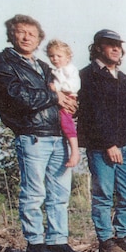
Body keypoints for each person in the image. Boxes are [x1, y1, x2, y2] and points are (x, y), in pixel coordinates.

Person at [0, 14, 83, 252]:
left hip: (59, 135)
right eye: (21, 32)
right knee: (34, 192)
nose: (27, 37)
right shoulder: (2, 62)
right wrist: (55, 97)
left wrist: (70, 103)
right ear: (11, 34)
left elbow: (62, 95)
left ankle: (58, 240)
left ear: (39, 38)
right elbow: (17, 96)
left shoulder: (45, 66)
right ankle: (35, 242)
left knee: (60, 193)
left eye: (32, 33)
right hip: (33, 136)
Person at [77, 29, 126, 252]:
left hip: (124, 145)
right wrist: (109, 143)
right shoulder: (87, 75)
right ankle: (106, 242)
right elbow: (93, 113)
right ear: (98, 47)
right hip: (101, 146)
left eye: (118, 45)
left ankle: (122, 238)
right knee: (104, 195)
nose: (116, 49)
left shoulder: (122, 77)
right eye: (110, 44)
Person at [45, 39, 81, 168]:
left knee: (66, 123)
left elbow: (73, 85)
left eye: (59, 56)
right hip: (59, 98)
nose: (55, 59)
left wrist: (57, 88)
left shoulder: (69, 70)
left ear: (68, 57)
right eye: (51, 56)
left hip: (68, 96)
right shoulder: (54, 70)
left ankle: (75, 151)